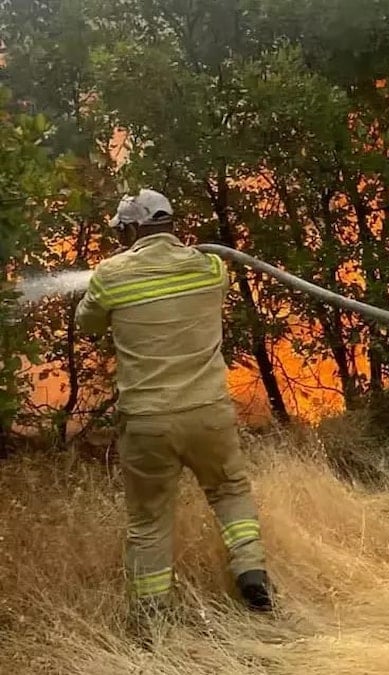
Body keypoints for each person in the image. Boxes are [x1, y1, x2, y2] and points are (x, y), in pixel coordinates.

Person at [75, 189, 273, 621]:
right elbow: (207, 273)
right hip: (209, 413)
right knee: (230, 491)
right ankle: (251, 573)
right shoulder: (210, 269)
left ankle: (151, 616)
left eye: (121, 232)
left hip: (148, 422)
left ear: (131, 229)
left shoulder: (110, 275)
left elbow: (86, 321)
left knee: (148, 521)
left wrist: (110, 281)